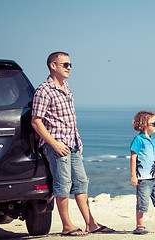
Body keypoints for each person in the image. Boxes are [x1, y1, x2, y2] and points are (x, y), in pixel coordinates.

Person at [31, 51, 114, 236]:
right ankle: (67, 226)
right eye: (65, 64)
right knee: (63, 184)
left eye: (70, 64)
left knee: (81, 183)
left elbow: (70, 118)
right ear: (53, 66)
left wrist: (78, 139)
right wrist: (54, 144)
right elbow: (36, 121)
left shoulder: (66, 87)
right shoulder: (44, 90)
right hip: (57, 146)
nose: (69, 67)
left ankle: (91, 224)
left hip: (73, 144)